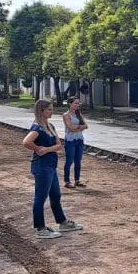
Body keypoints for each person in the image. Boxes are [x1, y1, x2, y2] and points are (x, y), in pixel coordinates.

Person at [22, 99, 83, 239]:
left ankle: (62, 222)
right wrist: (38, 149)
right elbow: (26, 142)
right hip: (41, 167)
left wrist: (47, 149)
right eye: (49, 109)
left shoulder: (50, 126)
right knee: (40, 198)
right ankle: (40, 228)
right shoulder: (37, 128)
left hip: (50, 166)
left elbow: (58, 145)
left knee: (55, 195)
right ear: (42, 111)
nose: (51, 111)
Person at [62, 96, 89, 189]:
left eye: (78, 103)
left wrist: (77, 127)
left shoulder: (79, 114)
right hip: (70, 141)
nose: (78, 105)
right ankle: (67, 181)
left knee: (78, 161)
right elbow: (70, 128)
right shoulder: (66, 115)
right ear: (70, 104)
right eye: (75, 103)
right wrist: (79, 127)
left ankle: (77, 180)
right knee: (69, 161)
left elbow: (86, 126)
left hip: (79, 140)